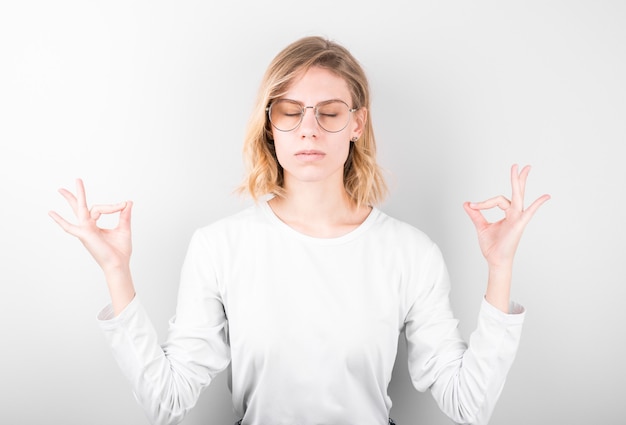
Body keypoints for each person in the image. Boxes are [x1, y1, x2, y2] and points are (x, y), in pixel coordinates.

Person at [49, 36, 550, 425]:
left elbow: (469, 404)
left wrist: (500, 267)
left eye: (329, 112)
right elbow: (166, 398)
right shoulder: (220, 246)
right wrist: (116, 270)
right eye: (290, 112)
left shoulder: (409, 253)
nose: (309, 129)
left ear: (357, 124)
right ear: (270, 124)